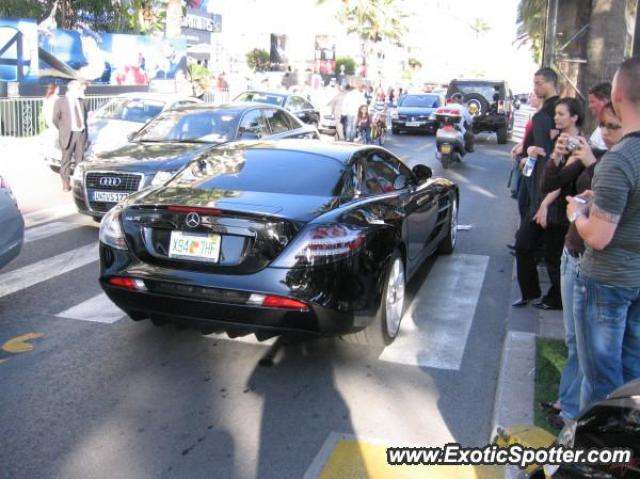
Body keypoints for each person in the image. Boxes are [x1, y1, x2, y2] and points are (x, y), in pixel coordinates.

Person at [540, 102, 622, 428]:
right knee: (575, 341)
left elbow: (603, 203)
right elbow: (551, 184)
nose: (605, 132)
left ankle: (575, 412)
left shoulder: (618, 161)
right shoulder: (603, 156)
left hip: (591, 258)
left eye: (613, 126)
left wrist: (590, 163)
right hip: (572, 253)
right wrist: (558, 156)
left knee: (587, 347)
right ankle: (568, 403)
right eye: (604, 125)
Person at [566, 57, 640, 410]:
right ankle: (624, 455)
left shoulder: (620, 159)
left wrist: (576, 213)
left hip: (606, 282)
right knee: (630, 372)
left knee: (600, 382)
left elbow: (596, 237)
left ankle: (595, 459)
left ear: (618, 94)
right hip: (635, 279)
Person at [513, 67, 560, 308]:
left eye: (538, 83)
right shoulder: (541, 114)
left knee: (552, 254)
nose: (535, 88)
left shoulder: (553, 114)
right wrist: (528, 152)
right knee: (524, 244)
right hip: (536, 188)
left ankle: (555, 298)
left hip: (552, 195)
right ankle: (530, 292)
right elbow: (534, 149)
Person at [53, 80, 88, 192]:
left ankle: (79, 184)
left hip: (80, 133)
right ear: (72, 89)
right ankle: (66, 184)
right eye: (78, 88)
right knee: (66, 161)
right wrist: (64, 129)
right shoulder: (60, 102)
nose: (81, 90)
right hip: (68, 134)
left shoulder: (82, 102)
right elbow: (55, 119)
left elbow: (85, 118)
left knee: (80, 161)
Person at [587, 82, 611, 151]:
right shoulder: (600, 126)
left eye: (592, 102)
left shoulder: (613, 129)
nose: (589, 106)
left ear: (605, 101)